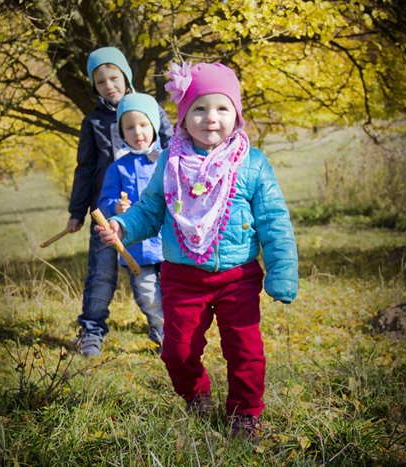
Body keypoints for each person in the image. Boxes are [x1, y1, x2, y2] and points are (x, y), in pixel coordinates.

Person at [95, 62, 298, 441]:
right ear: (183, 118)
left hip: (237, 276)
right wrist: (123, 225)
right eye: (198, 109)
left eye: (222, 108)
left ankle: (245, 414)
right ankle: (196, 394)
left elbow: (274, 221)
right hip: (183, 277)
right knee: (177, 350)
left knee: (245, 349)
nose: (210, 118)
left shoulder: (252, 164)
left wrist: (282, 271)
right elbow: (151, 208)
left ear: (235, 114)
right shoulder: (170, 163)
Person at [67, 47, 173, 357]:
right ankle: (91, 331)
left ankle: (166, 334)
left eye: (114, 77)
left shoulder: (151, 110)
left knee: (160, 277)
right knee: (101, 275)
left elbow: (174, 148)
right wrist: (77, 211)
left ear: (125, 76)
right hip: (106, 214)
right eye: (100, 82)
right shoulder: (93, 122)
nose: (109, 86)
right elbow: (85, 169)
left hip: (152, 213)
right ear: (93, 86)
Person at [97, 93, 165, 351]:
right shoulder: (118, 168)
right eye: (129, 127)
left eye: (144, 125)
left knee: (173, 293)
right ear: (121, 132)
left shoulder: (167, 159)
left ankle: (179, 336)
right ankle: (161, 333)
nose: (138, 132)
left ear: (154, 126)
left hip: (169, 245)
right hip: (136, 250)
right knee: (148, 296)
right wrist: (114, 206)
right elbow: (104, 202)